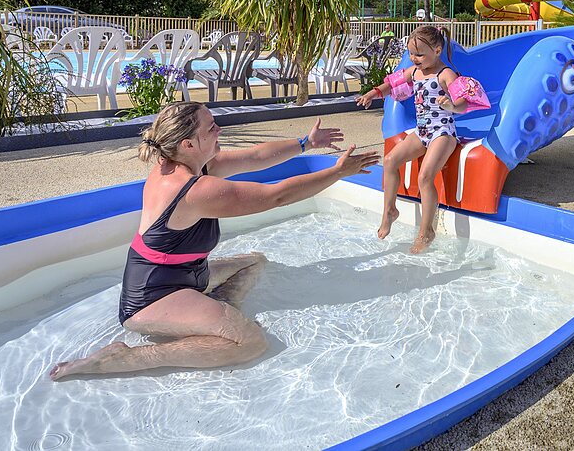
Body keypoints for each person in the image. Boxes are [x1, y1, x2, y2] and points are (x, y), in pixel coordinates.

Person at [48, 103, 380, 381]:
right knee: (250, 342)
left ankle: (211, 316)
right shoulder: (194, 190)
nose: (219, 129)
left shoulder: (191, 163)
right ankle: (126, 358)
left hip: (188, 277)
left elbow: (254, 157)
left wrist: (306, 143)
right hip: (152, 297)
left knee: (255, 261)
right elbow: (278, 196)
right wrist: (337, 173)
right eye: (211, 128)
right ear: (187, 144)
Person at [355, 25, 467, 254]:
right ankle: (389, 211)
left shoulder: (446, 74)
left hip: (443, 132)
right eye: (411, 54)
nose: (414, 59)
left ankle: (427, 231)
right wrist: (372, 93)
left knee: (425, 176)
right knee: (390, 160)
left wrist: (450, 105)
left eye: (419, 55)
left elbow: (464, 103)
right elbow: (392, 84)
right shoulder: (415, 72)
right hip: (423, 131)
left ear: (437, 50)